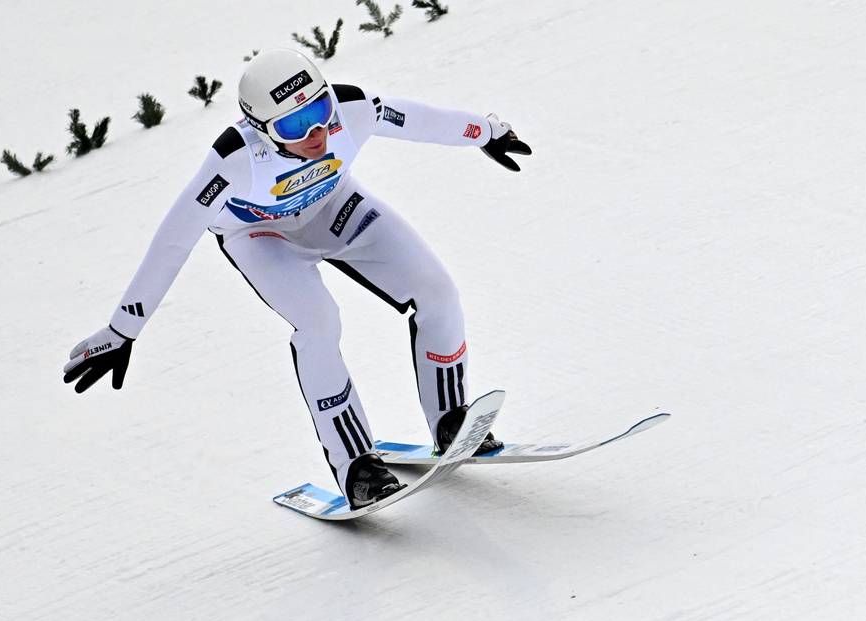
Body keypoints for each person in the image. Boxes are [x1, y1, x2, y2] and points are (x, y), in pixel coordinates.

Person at [63, 48, 531, 509]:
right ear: (260, 129)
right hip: (261, 235)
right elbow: (173, 242)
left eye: (319, 110)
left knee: (438, 291)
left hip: (336, 208)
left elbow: (425, 121)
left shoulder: (352, 109)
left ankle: (451, 419)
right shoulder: (233, 161)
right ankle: (357, 468)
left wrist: (487, 131)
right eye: (292, 125)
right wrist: (124, 330)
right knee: (320, 324)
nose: (315, 132)